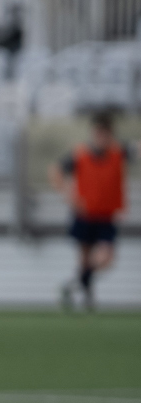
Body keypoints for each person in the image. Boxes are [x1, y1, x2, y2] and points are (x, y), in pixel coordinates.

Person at [52, 111, 133, 313]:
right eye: (99, 133)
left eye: (106, 134)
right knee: (84, 257)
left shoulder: (118, 152)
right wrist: (69, 196)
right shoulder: (80, 154)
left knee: (105, 258)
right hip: (84, 214)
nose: (102, 138)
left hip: (106, 216)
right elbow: (56, 170)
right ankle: (87, 298)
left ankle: (74, 285)